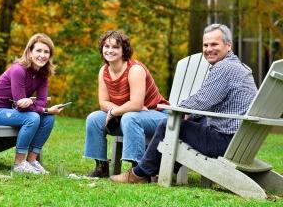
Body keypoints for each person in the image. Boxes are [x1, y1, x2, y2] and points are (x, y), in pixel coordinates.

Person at [110, 23, 258, 183]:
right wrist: (189, 114)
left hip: (224, 142)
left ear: (228, 45)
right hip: (240, 142)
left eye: (214, 44)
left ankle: (139, 174)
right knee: (192, 120)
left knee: (168, 125)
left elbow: (203, 99)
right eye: (205, 45)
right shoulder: (238, 66)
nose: (208, 49)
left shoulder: (225, 68)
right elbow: (207, 103)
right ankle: (158, 169)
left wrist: (177, 109)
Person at [84, 30, 170, 178]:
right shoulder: (103, 71)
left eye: (115, 47)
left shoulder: (135, 69)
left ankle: (139, 171)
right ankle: (101, 167)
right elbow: (103, 103)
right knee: (94, 118)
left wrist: (115, 112)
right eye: (106, 46)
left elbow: (136, 105)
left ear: (124, 50)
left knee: (130, 117)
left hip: (158, 116)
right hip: (128, 116)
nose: (110, 50)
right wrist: (121, 110)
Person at [0, 33, 65, 174]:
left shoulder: (43, 74)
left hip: (12, 111)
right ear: (30, 52)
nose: (42, 55)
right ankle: (19, 164)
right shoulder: (18, 70)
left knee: (49, 119)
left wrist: (41, 108)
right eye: (38, 50)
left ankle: (32, 161)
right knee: (32, 117)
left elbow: (41, 101)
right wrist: (45, 109)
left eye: (46, 52)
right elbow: (21, 104)